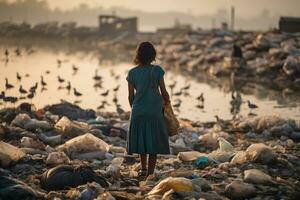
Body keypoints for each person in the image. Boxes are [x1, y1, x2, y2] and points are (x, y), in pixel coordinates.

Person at [126, 41, 170, 178]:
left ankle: (143, 169)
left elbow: (130, 96)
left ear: (138, 55)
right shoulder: (157, 70)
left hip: (138, 110)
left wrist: (135, 108)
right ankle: (150, 172)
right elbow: (164, 92)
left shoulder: (132, 73)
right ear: (153, 55)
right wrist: (167, 103)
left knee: (141, 139)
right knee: (153, 142)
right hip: (155, 110)